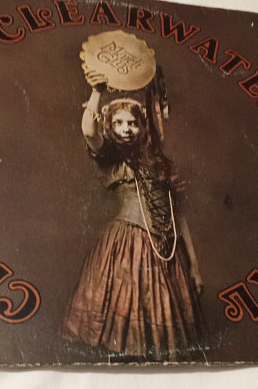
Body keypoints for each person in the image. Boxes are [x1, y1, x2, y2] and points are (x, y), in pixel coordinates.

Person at [62, 72, 205, 362]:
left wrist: (194, 266)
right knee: (125, 330)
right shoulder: (112, 158)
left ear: (142, 127)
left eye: (131, 123)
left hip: (168, 253)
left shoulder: (158, 164)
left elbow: (177, 216)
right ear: (109, 126)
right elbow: (89, 132)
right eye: (118, 123)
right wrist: (96, 92)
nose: (125, 129)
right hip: (126, 248)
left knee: (166, 342)